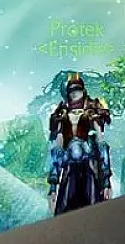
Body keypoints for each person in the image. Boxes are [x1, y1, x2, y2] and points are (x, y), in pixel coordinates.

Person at [48, 73, 112, 214]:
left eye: (77, 89)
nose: (74, 93)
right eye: (71, 90)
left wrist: (106, 182)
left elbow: (101, 143)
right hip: (70, 169)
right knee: (65, 212)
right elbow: (58, 148)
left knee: (94, 210)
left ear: (83, 90)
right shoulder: (62, 114)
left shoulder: (91, 111)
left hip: (89, 167)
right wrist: (53, 186)